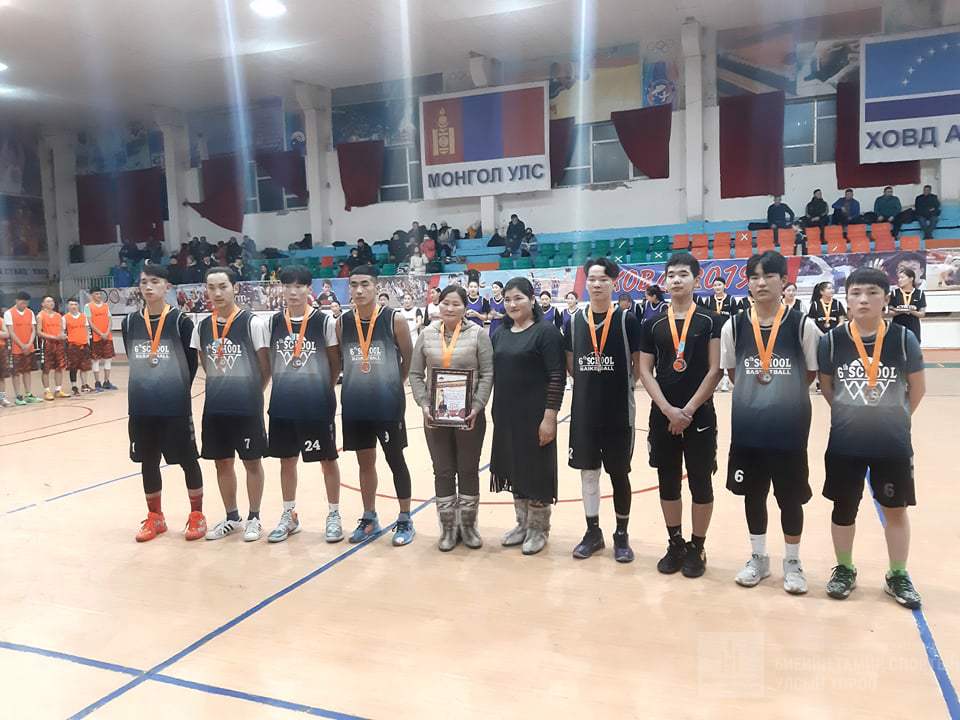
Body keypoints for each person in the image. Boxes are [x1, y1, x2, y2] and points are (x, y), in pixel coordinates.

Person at [818, 267, 925, 608]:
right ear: (846, 300)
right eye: (856, 293)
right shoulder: (831, 341)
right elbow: (827, 386)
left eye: (872, 293)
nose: (863, 300)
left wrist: (895, 417)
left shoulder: (903, 339)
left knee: (895, 509)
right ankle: (844, 568)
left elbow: (918, 388)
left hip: (891, 443)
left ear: (886, 299)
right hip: (845, 442)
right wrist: (851, 415)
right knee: (843, 507)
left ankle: (898, 574)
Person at [721, 251, 822, 594]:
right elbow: (733, 372)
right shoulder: (734, 325)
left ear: (784, 281)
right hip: (748, 428)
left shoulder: (803, 325)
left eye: (768, 276)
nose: (761, 283)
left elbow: (810, 372)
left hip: (789, 429)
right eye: (754, 277)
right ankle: (758, 557)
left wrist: (781, 395)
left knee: (789, 498)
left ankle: (792, 562)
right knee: (753, 494)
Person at [638, 252, 723, 578]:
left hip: (698, 415)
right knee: (668, 480)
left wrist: (687, 410)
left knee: (700, 482)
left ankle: (697, 546)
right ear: (665, 281)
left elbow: (715, 370)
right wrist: (667, 409)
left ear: (696, 279)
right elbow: (644, 370)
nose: (676, 279)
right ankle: (675, 543)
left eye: (683, 274)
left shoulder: (711, 321)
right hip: (663, 415)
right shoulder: (652, 324)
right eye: (671, 274)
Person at [121, 265, 206, 542]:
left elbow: (191, 365)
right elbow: (134, 360)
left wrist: (173, 389)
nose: (148, 287)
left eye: (155, 281)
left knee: (188, 460)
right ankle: (155, 516)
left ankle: (197, 514)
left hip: (174, 406)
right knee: (148, 461)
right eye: (144, 282)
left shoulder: (181, 322)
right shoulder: (130, 322)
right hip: (141, 406)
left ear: (167, 286)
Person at [566, 257, 643, 563]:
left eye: (603, 279)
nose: (597, 284)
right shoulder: (574, 321)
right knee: (588, 473)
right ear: (586, 283)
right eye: (592, 279)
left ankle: (621, 535)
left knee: (619, 474)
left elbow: (638, 365)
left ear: (613, 283)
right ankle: (593, 532)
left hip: (618, 413)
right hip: (585, 412)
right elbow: (571, 362)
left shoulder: (626, 320)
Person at [410, 285, 494, 551]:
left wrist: (477, 406)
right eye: (445, 303)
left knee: (468, 469)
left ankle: (468, 527)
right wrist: (424, 404)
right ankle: (447, 529)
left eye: (456, 304)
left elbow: (487, 374)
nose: (449, 308)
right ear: (438, 304)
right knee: (443, 470)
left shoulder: (479, 334)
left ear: (465, 307)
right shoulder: (427, 334)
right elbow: (415, 374)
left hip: (469, 416)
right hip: (435, 417)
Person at [337, 265, 416, 546]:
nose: (359, 290)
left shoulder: (395, 319)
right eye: (354, 284)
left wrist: (393, 383)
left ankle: (405, 518)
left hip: (387, 404)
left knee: (395, 459)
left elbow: (408, 358)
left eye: (365, 284)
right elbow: (341, 361)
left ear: (376, 286)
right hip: (355, 404)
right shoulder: (342, 322)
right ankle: (369, 517)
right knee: (364, 462)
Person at [265, 265, 344, 543]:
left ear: (309, 289)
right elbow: (268, 362)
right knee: (286, 460)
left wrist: (320, 388)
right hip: (283, 404)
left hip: (317, 405)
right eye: (287, 286)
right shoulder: (273, 323)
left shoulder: (324, 322)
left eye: (299, 286)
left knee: (327, 460)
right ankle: (289, 515)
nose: (293, 292)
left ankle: (334, 514)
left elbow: (335, 363)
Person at [194, 267, 271, 543]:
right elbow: (206, 363)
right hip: (215, 408)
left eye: (223, 286)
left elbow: (265, 367)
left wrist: (251, 392)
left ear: (234, 288)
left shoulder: (253, 323)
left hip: (246, 408)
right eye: (211, 287)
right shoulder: (202, 326)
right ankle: (232, 517)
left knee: (252, 463)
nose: (217, 293)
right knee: (222, 463)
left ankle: (254, 517)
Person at [491, 277, 565, 555]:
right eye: (507, 299)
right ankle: (522, 524)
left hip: (535, 416)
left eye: (518, 298)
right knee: (515, 468)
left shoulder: (546, 332)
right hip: (506, 415)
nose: (512, 304)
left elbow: (556, 376)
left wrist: (550, 417)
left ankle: (538, 529)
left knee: (537, 471)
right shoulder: (500, 333)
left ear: (532, 300)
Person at [701, 279, 737, 391]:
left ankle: (725, 382)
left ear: (724, 286)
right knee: (714, 358)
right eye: (715, 285)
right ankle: (714, 382)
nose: (717, 287)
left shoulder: (731, 299)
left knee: (727, 357)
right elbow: (705, 318)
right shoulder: (709, 300)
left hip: (727, 333)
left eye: (719, 285)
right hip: (713, 334)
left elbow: (735, 317)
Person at [4, 291, 40, 405]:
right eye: (22, 302)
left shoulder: (30, 312)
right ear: (16, 301)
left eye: (26, 303)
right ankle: (18, 396)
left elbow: (33, 330)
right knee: (16, 373)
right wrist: (21, 345)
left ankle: (28, 394)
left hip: (29, 347)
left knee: (27, 371)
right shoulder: (9, 313)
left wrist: (29, 344)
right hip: (15, 348)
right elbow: (11, 332)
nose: (24, 305)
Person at [85, 288, 117, 391]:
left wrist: (107, 332)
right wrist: (100, 333)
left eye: (99, 294)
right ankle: (97, 383)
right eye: (96, 294)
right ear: (91, 295)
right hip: (95, 338)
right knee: (96, 360)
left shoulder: (106, 306)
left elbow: (110, 320)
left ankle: (106, 382)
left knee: (108, 359)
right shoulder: (87, 307)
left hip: (107, 336)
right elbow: (90, 322)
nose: (99, 296)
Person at [36, 296, 68, 400]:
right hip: (47, 344)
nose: (51, 303)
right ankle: (47, 391)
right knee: (46, 369)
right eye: (48, 301)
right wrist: (54, 337)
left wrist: (62, 335)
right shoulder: (40, 316)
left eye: (52, 301)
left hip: (58, 344)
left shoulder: (58, 315)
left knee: (59, 367)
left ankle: (58, 390)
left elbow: (61, 329)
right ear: (43, 304)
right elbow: (39, 332)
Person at [887, 267, 926, 343]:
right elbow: (889, 312)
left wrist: (911, 311)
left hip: (913, 327)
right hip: (898, 327)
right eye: (899, 278)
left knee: (913, 347)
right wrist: (901, 311)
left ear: (911, 279)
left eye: (902, 277)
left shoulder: (920, 293)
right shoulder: (894, 293)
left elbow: (922, 314)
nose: (899, 280)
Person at [63, 299, 93, 395]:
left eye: (75, 304)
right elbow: (62, 331)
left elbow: (87, 330)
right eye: (71, 304)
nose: (73, 306)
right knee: (73, 367)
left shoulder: (83, 317)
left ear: (78, 306)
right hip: (72, 346)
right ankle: (74, 386)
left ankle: (84, 385)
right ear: (68, 306)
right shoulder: (65, 318)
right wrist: (67, 340)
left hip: (84, 345)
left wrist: (88, 342)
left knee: (84, 366)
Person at [0, 310, 10, 407]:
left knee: (1, 375)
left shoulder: (1, 320)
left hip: (1, 349)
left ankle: (2, 398)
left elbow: (6, 334)